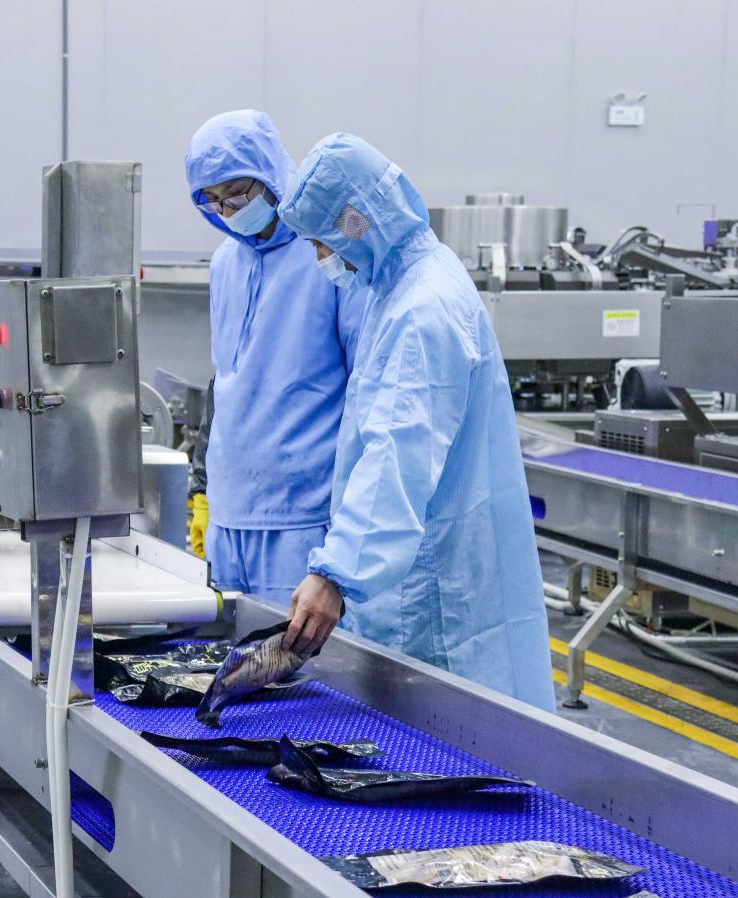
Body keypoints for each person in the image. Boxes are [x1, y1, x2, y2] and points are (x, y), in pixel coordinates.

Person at [274, 131, 556, 712]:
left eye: (322, 240)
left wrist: (336, 574)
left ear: (355, 222)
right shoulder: (402, 286)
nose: (321, 257)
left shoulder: (424, 308)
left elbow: (398, 452)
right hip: (427, 577)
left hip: (436, 595)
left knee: (453, 745)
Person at [183, 110, 362, 608]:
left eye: (238, 193)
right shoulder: (225, 262)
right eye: (213, 200)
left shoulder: (326, 253)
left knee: (296, 654)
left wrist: (351, 525)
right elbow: (225, 383)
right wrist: (203, 489)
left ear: (270, 175)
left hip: (302, 517)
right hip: (229, 514)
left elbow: (365, 385)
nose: (229, 210)